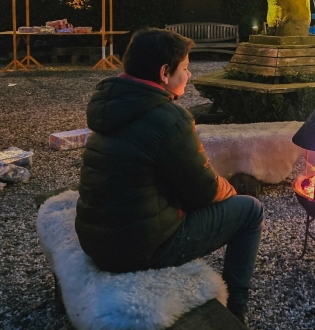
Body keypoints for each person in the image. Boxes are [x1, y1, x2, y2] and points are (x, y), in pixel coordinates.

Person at [75, 28, 263, 321]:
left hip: (96, 239)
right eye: (185, 69)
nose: (189, 75)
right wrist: (231, 190)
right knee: (250, 210)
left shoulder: (112, 103)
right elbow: (204, 192)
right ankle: (235, 311)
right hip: (138, 249)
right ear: (165, 72)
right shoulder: (169, 118)